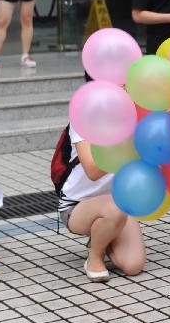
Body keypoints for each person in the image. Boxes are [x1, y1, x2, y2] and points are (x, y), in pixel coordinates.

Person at [58, 77, 147, 283]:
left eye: (125, 82)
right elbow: (92, 170)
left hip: (117, 205)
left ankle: (103, 235)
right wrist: (125, 142)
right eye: (118, 83)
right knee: (115, 207)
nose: (124, 87)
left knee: (133, 265)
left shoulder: (134, 118)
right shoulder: (84, 118)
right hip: (77, 206)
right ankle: (95, 256)